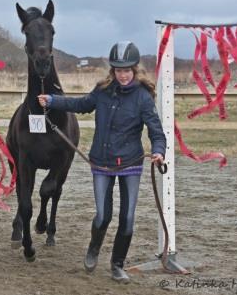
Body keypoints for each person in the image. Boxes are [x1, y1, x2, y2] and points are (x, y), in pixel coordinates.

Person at [38, 41, 166, 283]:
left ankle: (117, 265)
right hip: (102, 162)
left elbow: (156, 132)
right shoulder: (102, 90)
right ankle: (93, 248)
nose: (123, 75)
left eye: (127, 70)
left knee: (127, 219)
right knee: (102, 215)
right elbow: (81, 104)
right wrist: (53, 101)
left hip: (131, 163)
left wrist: (159, 151)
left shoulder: (143, 97)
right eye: (119, 70)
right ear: (113, 71)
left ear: (134, 69)